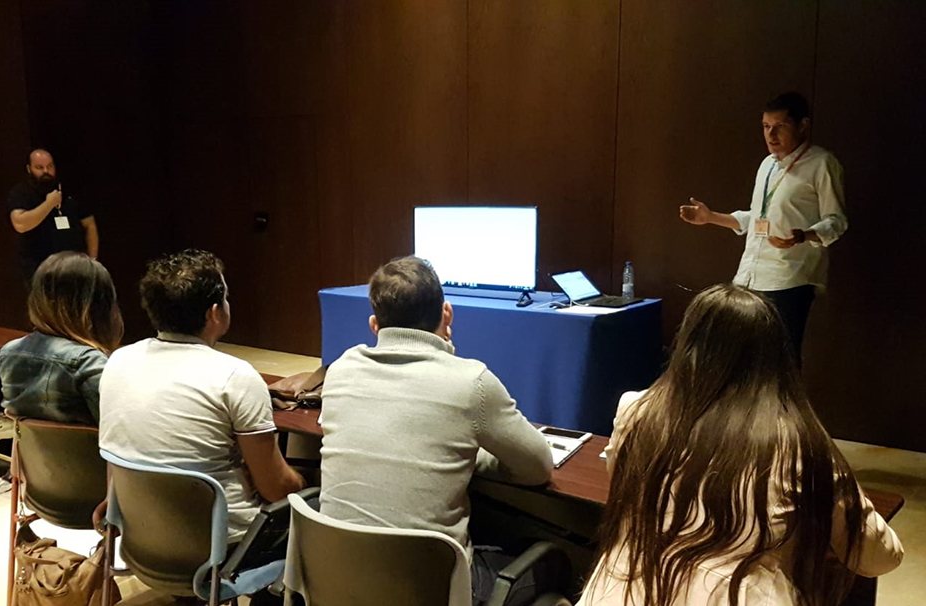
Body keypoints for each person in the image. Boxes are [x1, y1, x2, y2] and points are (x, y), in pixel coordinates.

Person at [579, 284, 903, 606]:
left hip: (619, 590)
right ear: (775, 358)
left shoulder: (637, 408)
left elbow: (620, 484)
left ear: (687, 345)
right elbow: (879, 557)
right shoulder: (799, 441)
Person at [318, 255, 554, 604]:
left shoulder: (339, 370)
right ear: (447, 314)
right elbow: (538, 467)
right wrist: (471, 458)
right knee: (552, 565)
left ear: (374, 325)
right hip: (432, 591)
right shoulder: (471, 381)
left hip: (336, 581)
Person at [98, 249, 305, 553]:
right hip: (223, 544)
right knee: (311, 502)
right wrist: (307, 485)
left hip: (140, 535)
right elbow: (276, 489)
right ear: (214, 313)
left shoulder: (117, 361)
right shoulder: (235, 376)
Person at [679, 92, 847, 364]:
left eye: (780, 126)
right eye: (766, 126)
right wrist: (710, 217)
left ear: (803, 125)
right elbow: (756, 218)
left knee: (780, 363)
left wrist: (803, 235)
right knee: (741, 360)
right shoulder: (767, 165)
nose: (771, 134)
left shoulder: (821, 163)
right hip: (749, 276)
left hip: (789, 280)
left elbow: (836, 221)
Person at [0, 252, 122, 425]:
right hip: (85, 452)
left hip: (31, 453)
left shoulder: (9, 352)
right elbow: (119, 431)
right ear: (100, 306)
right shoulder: (88, 362)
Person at [7, 149, 99, 285]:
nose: (46, 171)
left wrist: (92, 261)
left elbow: (90, 225)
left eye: (50, 166)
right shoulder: (21, 193)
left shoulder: (69, 190)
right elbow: (21, 225)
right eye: (39, 167)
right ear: (29, 169)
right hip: (40, 270)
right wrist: (49, 204)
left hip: (75, 268)